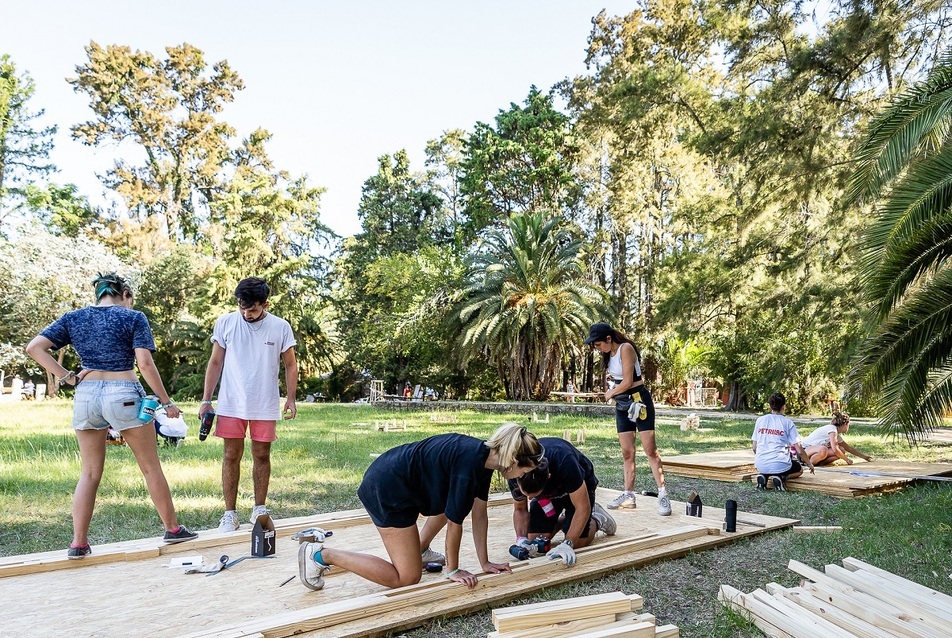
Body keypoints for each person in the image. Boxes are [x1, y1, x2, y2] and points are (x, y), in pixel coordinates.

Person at [25, 272, 197, 558]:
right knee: (150, 467)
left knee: (90, 473)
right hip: (123, 393)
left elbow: (34, 348)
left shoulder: (74, 317)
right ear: (125, 294)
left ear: (98, 294)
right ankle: (173, 529)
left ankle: (78, 543)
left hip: (86, 395)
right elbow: (144, 362)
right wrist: (167, 402)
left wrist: (67, 377)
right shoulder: (133, 317)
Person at [297, 423, 544, 591]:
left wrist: (485, 563)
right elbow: (455, 523)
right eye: (524, 471)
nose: (520, 477)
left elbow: (480, 514)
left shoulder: (486, 459)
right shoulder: (469, 468)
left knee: (457, 504)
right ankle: (320, 554)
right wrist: (453, 569)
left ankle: (420, 550)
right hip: (388, 489)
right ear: (513, 460)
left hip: (400, 480)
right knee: (406, 577)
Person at [199, 277, 298, 532]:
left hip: (264, 402)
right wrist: (206, 400)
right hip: (231, 403)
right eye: (242, 307)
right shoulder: (226, 323)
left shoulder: (280, 326)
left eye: (252, 309)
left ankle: (259, 509)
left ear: (264, 304)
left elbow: (290, 364)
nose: (246, 313)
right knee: (231, 456)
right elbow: (215, 363)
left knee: (262, 455)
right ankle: (229, 514)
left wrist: (291, 398)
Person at [584, 322, 671, 516]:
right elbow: (617, 380)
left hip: (639, 401)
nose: (597, 349)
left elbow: (628, 381)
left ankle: (663, 493)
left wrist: (609, 393)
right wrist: (613, 391)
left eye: (598, 344)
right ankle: (628, 495)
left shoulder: (626, 348)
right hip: (623, 404)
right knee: (627, 452)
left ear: (608, 339)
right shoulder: (609, 355)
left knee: (650, 450)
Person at [508, 437, 616, 567]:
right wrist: (522, 539)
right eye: (527, 495)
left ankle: (597, 519)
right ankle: (566, 520)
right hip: (548, 495)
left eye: (534, 495)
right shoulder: (516, 471)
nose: (530, 499)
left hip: (579, 488)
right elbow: (520, 509)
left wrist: (567, 544)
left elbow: (582, 507)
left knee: (578, 543)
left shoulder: (564, 461)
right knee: (536, 542)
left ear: (548, 478)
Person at [751, 392, 815, 490]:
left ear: (770, 406)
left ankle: (764, 476)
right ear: (784, 406)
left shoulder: (760, 420)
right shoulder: (788, 423)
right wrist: (809, 464)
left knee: (769, 467)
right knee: (799, 470)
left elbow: (754, 447)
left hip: (760, 464)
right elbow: (799, 450)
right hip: (779, 463)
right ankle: (781, 477)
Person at [802, 411, 872, 467]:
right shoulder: (832, 429)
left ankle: (819, 464)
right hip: (804, 451)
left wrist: (864, 457)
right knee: (824, 449)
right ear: (845, 424)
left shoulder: (836, 435)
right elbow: (835, 449)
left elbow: (849, 448)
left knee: (841, 450)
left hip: (814, 452)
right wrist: (847, 460)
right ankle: (808, 464)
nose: (848, 427)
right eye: (848, 425)